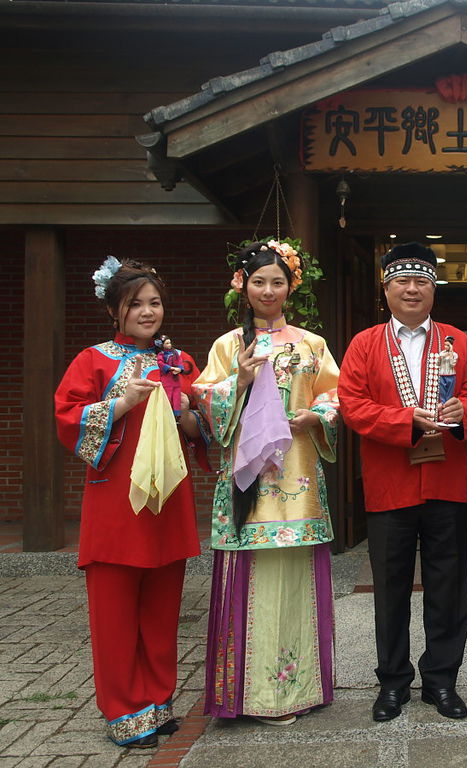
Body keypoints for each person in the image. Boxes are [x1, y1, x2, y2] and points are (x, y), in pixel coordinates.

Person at [54, 257, 202, 748]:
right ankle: (123, 710)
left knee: (163, 610)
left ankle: (158, 704)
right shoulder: (92, 360)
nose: (147, 311)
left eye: (154, 302)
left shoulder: (179, 362)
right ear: (114, 311)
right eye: (134, 304)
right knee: (115, 615)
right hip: (116, 505)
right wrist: (122, 402)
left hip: (167, 501)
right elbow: (69, 420)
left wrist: (188, 414)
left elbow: (203, 429)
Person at [194, 240, 340, 726]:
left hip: (296, 479)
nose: (268, 290)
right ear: (242, 285)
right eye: (259, 281)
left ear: (290, 286)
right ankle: (247, 695)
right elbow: (205, 403)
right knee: (249, 581)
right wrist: (236, 381)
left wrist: (314, 415)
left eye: (278, 281)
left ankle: (297, 691)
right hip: (248, 486)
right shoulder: (227, 346)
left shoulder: (311, 344)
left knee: (295, 582)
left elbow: (338, 397)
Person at [338, 242, 467, 722]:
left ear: (433, 290)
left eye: (422, 280)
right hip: (389, 484)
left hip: (445, 482)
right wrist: (405, 421)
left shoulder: (456, 341)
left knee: (449, 588)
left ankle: (441, 682)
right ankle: (393, 683)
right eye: (402, 280)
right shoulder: (364, 343)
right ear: (386, 289)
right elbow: (353, 405)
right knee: (390, 589)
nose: (412, 289)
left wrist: (463, 412)